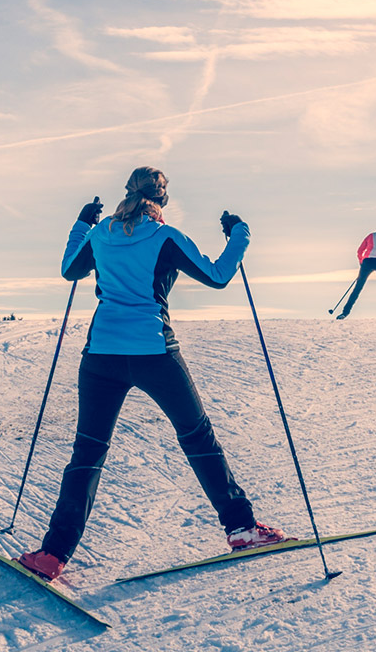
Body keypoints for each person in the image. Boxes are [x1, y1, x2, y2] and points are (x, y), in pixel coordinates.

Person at [17, 166, 289, 581]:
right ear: (162, 199)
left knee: (88, 452)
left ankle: (52, 554)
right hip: (154, 353)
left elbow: (70, 270)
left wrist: (81, 223)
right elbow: (217, 275)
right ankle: (242, 528)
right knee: (197, 437)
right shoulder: (165, 237)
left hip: (101, 356)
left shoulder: (101, 233)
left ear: (127, 192)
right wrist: (240, 233)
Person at [335, 225, 376, 320]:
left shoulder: (370, 236)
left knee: (358, 288)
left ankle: (344, 313)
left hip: (367, 262)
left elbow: (360, 251)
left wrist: (362, 263)